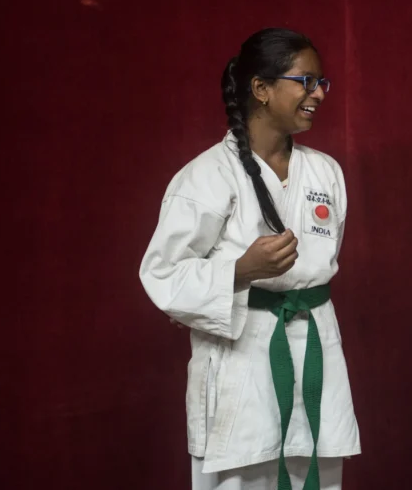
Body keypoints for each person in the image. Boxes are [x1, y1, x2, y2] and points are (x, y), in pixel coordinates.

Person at [140, 28, 360, 490]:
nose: (318, 94)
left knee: (314, 472)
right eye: (305, 81)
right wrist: (240, 270)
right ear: (260, 88)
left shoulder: (325, 172)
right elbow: (162, 274)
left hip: (316, 351)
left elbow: (324, 260)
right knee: (240, 476)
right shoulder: (205, 177)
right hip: (241, 363)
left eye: (322, 82)